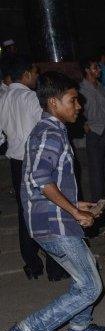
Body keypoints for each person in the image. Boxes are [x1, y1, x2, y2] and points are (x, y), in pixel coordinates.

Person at [4, 71, 105, 331]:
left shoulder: (52, 131)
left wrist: (78, 203)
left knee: (87, 268)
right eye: (73, 100)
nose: (79, 106)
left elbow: (41, 181)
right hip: (52, 224)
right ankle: (29, 329)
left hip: (51, 219)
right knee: (90, 286)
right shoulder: (49, 132)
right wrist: (75, 211)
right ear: (53, 103)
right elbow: (41, 179)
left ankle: (79, 326)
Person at [0, 55, 69, 281]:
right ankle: (55, 268)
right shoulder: (30, 98)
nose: (37, 77)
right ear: (26, 75)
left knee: (25, 212)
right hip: (37, 159)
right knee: (48, 210)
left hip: (16, 162)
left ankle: (32, 264)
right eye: (35, 73)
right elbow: (46, 125)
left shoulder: (3, 97)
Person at [79, 56, 105, 203]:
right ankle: (98, 199)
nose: (99, 70)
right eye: (95, 67)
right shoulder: (80, 89)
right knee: (96, 168)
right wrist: (83, 124)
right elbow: (76, 111)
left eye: (98, 67)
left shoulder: (102, 87)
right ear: (87, 70)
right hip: (94, 132)